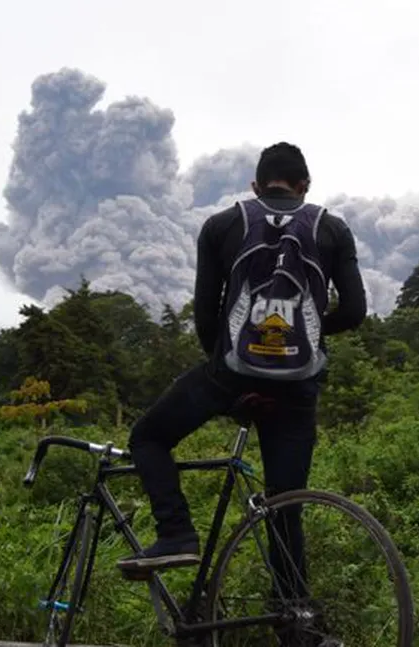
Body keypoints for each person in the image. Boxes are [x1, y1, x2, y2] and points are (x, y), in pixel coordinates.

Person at [117, 142, 367, 581]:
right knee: (283, 509)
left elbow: (206, 321)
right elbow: (354, 312)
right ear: (304, 186)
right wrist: (302, 333)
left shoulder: (221, 225)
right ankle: (295, 624)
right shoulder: (333, 229)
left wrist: (232, 378)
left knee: (148, 439)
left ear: (255, 185)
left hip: (229, 377)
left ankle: (176, 533)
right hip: (298, 387)